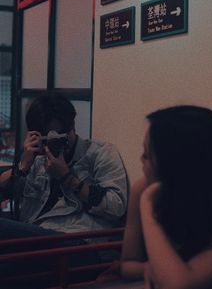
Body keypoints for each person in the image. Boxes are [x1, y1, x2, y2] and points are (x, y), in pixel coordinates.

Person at [121, 105, 212, 289]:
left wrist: (147, 206)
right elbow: (127, 265)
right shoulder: (141, 188)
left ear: (175, 165)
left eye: (147, 155)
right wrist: (152, 267)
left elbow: (179, 284)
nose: (141, 160)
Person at [0, 91, 128, 239]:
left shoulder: (99, 153)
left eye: (57, 136)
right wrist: (23, 166)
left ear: (72, 126)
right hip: (35, 235)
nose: (51, 143)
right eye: (44, 137)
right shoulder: (37, 159)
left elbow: (116, 207)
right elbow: (4, 194)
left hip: (73, 240)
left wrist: (67, 178)